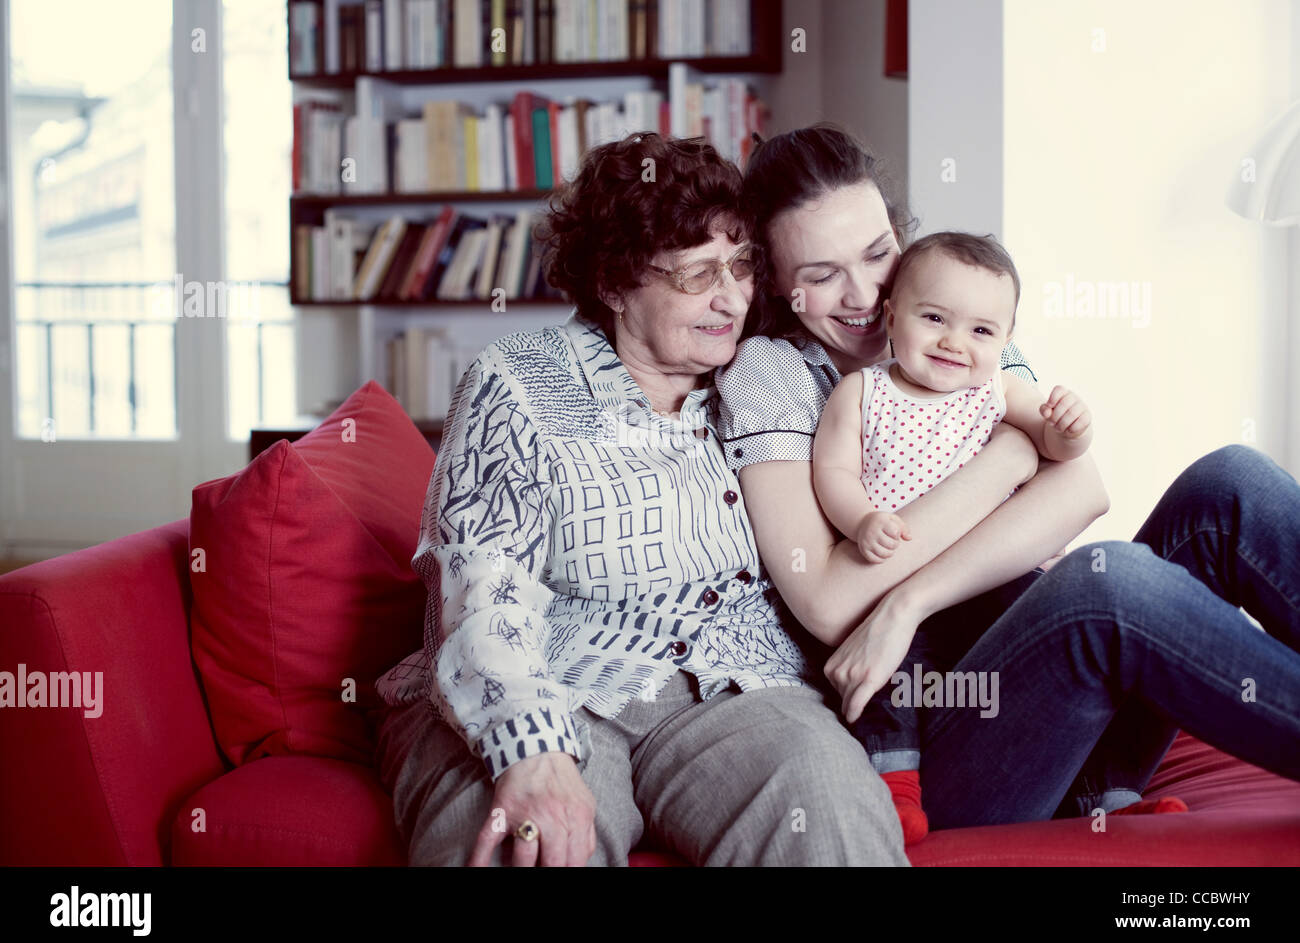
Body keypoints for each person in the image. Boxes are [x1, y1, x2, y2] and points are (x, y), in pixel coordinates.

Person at [716, 122, 1300, 834]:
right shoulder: (769, 374)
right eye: (820, 275)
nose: (866, 293)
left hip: (1044, 705)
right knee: (1103, 581)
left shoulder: (954, 319)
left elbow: (1081, 491)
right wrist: (1009, 461)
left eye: (877, 253)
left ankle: (1103, 786)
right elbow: (832, 600)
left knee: (1229, 485)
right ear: (776, 285)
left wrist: (908, 601)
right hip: (933, 736)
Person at [370, 131, 909, 866]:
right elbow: (481, 586)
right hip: (554, 678)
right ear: (615, 284)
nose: (731, 298)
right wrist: (528, 747)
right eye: (695, 277)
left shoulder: (769, 378)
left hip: (735, 687)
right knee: (519, 840)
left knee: (828, 797)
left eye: (742, 266)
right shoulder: (522, 381)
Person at [807, 230, 1094, 842]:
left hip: (988, 572)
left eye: (981, 331)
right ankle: (895, 783)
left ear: (1006, 342)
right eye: (934, 317)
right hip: (900, 579)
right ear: (891, 316)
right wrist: (861, 519)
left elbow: (1054, 447)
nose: (953, 343)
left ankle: (1107, 797)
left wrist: (1071, 430)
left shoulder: (998, 392)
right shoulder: (864, 392)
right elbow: (832, 471)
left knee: (1056, 638)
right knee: (891, 668)